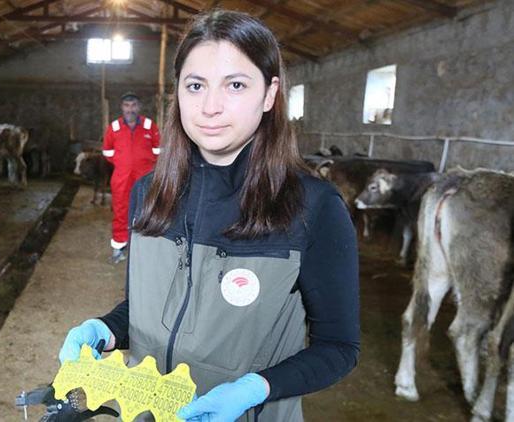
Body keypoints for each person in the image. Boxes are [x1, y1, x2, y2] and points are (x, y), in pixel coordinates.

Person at [58, 10, 359, 422]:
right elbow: (146, 308)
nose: (210, 107)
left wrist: (258, 388)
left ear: (269, 95)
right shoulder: (148, 194)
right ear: (177, 92)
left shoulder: (312, 206)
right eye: (195, 85)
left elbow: (339, 347)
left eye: (235, 85)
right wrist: (107, 329)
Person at [101, 92, 161, 264]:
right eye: (127, 106)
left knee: (147, 212)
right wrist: (123, 164)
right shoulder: (114, 128)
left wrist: (145, 166)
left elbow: (159, 151)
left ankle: (144, 249)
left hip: (146, 179)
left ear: (139, 107)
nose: (130, 109)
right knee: (121, 212)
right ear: (122, 107)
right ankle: (119, 248)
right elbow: (107, 152)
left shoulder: (150, 126)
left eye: (133, 105)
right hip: (122, 179)